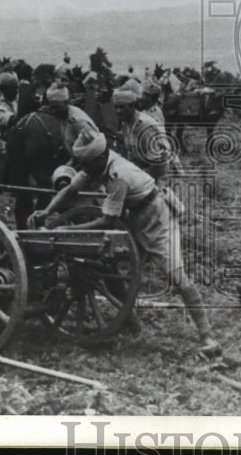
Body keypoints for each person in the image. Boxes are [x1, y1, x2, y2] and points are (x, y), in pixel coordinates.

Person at [31, 129, 221, 358]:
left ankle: (207, 335)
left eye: (86, 164)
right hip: (133, 217)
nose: (83, 168)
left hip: (156, 217)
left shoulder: (117, 176)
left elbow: (107, 221)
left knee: (176, 276)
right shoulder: (96, 164)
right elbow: (71, 190)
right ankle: (129, 322)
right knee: (109, 267)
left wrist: (65, 230)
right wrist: (47, 211)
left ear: (100, 158)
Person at [111, 89, 173, 180]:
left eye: (122, 107)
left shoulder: (143, 125)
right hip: (141, 169)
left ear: (133, 107)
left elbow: (158, 160)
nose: (118, 111)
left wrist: (142, 179)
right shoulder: (126, 124)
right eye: (116, 107)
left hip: (157, 173)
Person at [42, 82, 100, 156]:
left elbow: (93, 148)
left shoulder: (78, 121)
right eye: (51, 108)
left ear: (67, 102)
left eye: (57, 107)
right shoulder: (62, 116)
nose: (54, 111)